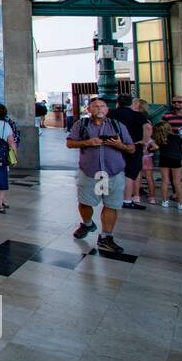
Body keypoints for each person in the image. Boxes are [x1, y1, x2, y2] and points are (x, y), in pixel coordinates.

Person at [66, 96, 136, 252]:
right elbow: (70, 143)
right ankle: (88, 223)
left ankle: (106, 236)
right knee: (85, 202)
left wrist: (120, 145)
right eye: (95, 106)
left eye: (102, 106)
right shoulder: (81, 124)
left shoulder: (117, 126)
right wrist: (87, 143)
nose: (99, 109)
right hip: (90, 171)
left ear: (107, 109)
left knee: (111, 204)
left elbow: (131, 148)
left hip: (113, 171)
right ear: (89, 109)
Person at [110, 94, 151, 211]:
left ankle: (112, 197)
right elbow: (148, 127)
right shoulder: (137, 115)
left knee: (114, 172)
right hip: (134, 146)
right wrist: (144, 142)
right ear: (131, 103)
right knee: (130, 174)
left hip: (114, 146)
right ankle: (127, 200)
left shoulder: (111, 114)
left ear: (118, 102)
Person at [152, 119, 182, 209]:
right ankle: (180, 203)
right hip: (176, 159)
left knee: (165, 180)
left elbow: (155, 148)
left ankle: (165, 201)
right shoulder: (177, 137)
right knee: (177, 182)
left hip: (164, 159)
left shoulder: (159, 139)